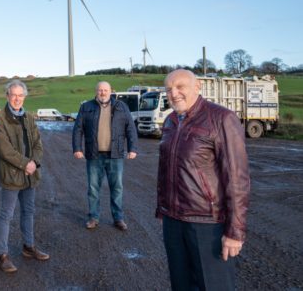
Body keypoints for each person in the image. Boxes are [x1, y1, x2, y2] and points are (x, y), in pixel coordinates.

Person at [157, 69, 250, 291]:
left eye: (180, 87)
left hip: (207, 223)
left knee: (213, 285)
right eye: (169, 89)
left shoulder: (221, 118)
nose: (174, 93)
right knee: (181, 285)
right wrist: (163, 208)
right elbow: (165, 170)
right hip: (173, 221)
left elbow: (237, 178)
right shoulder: (170, 121)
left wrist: (235, 232)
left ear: (197, 87)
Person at [0, 79, 50, 273]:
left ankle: (28, 246)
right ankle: (2, 255)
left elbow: (38, 145)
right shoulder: (0, 119)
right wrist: (26, 164)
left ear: (24, 97)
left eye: (20, 95)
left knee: (29, 211)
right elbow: (4, 150)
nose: (17, 98)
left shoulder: (29, 118)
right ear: (7, 96)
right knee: (6, 215)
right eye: (13, 95)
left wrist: (34, 163)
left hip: (29, 175)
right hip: (12, 175)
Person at [72, 81, 138, 231]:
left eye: (105, 90)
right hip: (94, 154)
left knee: (117, 188)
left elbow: (131, 128)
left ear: (111, 91)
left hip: (115, 154)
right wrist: (77, 148)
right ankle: (93, 217)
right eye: (100, 90)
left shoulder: (121, 107)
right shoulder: (86, 107)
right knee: (93, 188)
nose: (103, 92)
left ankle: (118, 218)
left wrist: (133, 148)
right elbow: (78, 129)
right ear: (96, 91)